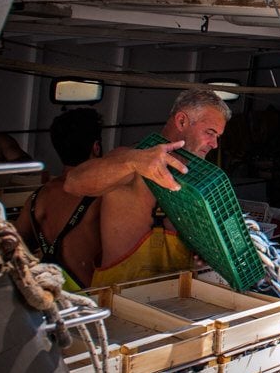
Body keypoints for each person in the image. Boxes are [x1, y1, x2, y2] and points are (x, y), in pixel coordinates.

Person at [65, 88, 231, 287]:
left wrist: (202, 253)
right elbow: (73, 182)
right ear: (181, 121)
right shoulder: (130, 158)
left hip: (175, 302)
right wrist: (132, 162)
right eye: (210, 133)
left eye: (218, 137)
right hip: (120, 302)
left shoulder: (196, 180)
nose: (214, 144)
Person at [14, 108, 104, 289]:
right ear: (96, 147)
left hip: (52, 292)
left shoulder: (36, 198)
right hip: (89, 296)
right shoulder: (101, 197)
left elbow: (16, 245)